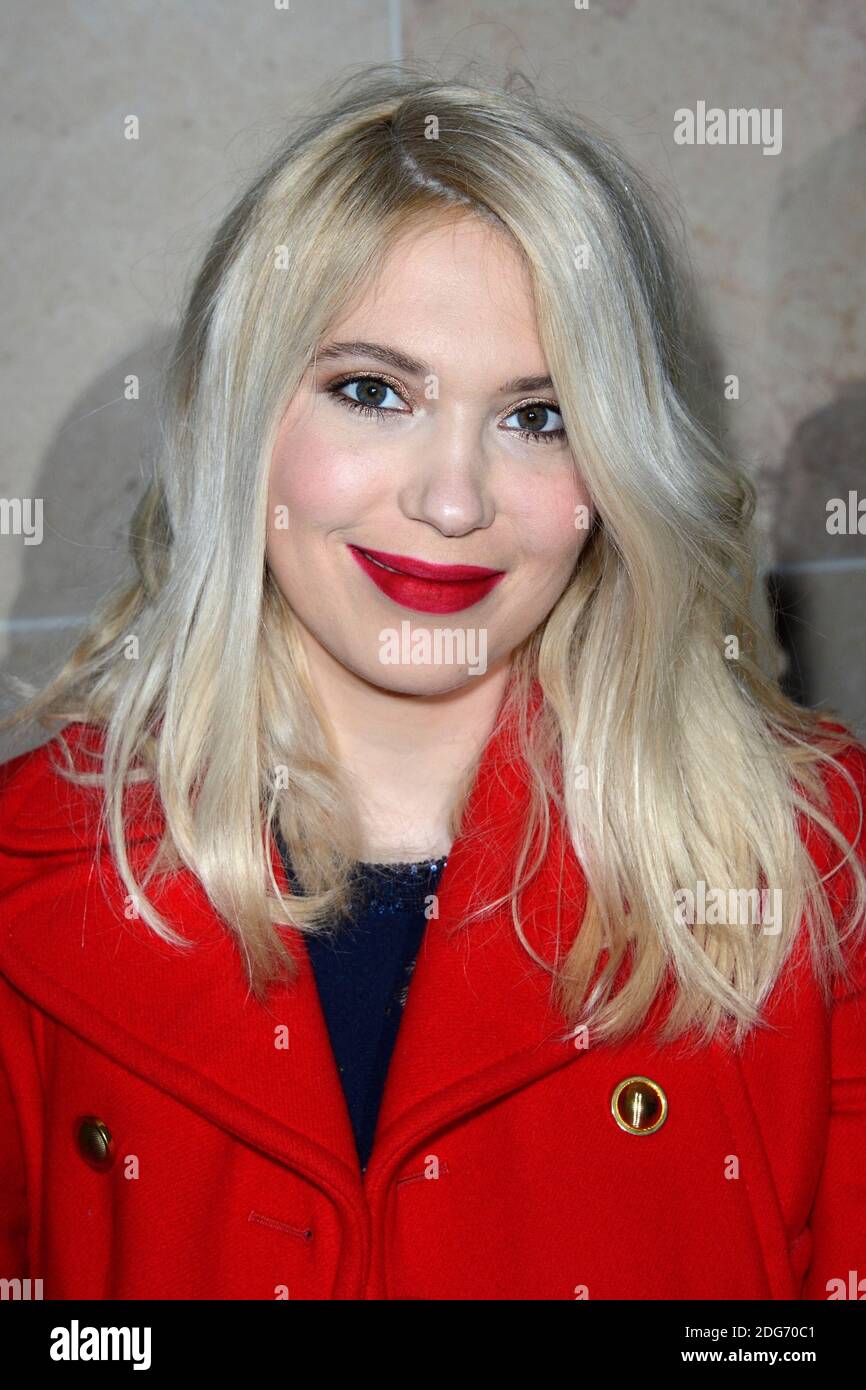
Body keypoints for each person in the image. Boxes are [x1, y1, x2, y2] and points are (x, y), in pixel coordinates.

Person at [0, 64, 864, 1302]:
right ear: (240, 420)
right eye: (372, 391)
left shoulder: (814, 867)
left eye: (538, 416)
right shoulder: (30, 877)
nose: (450, 499)